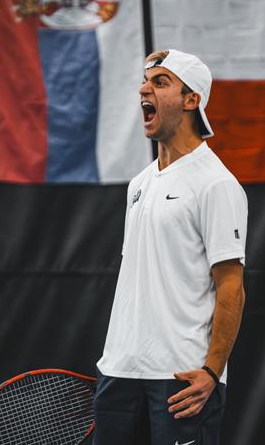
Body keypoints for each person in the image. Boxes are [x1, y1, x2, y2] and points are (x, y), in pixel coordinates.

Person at [93, 49, 248, 445]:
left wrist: (212, 371)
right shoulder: (139, 183)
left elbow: (231, 287)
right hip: (119, 371)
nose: (144, 89)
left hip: (180, 379)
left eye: (161, 82)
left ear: (191, 100)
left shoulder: (216, 184)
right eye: (146, 82)